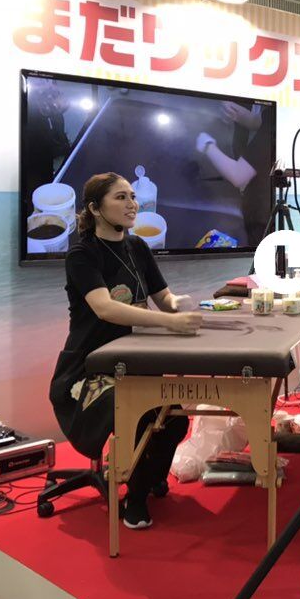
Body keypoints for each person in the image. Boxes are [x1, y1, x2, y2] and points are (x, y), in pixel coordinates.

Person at [49, 172, 202, 530]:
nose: (132, 204)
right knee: (143, 416)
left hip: (136, 360)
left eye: (132, 196)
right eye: (121, 197)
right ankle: (135, 497)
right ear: (94, 208)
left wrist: (180, 305)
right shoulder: (82, 254)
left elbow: (164, 298)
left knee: (175, 420)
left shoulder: (138, 247)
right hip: (91, 367)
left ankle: (145, 480)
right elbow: (105, 308)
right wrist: (170, 323)